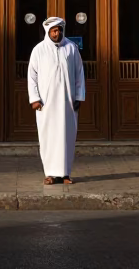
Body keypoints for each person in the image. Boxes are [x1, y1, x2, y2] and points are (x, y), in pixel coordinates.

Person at [27, 15, 86, 184]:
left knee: (67, 136)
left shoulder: (71, 48)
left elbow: (79, 73)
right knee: (48, 136)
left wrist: (79, 96)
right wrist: (35, 98)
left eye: (59, 30)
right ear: (48, 31)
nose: (56, 33)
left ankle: (65, 174)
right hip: (46, 104)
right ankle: (50, 174)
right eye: (53, 30)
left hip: (67, 102)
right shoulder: (39, 50)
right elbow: (32, 76)